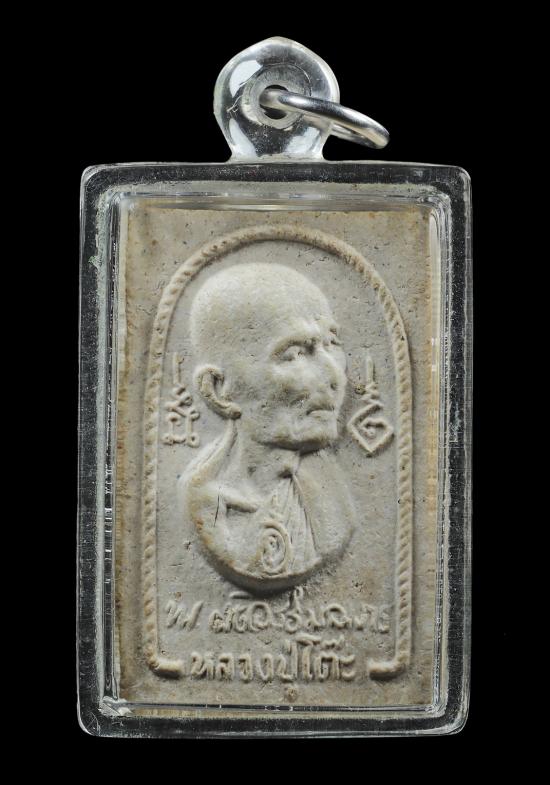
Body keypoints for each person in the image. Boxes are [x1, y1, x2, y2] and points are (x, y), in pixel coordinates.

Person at [179, 262, 355, 592]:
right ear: (219, 390)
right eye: (295, 354)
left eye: (331, 344)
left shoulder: (333, 502)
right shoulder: (209, 506)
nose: (334, 376)